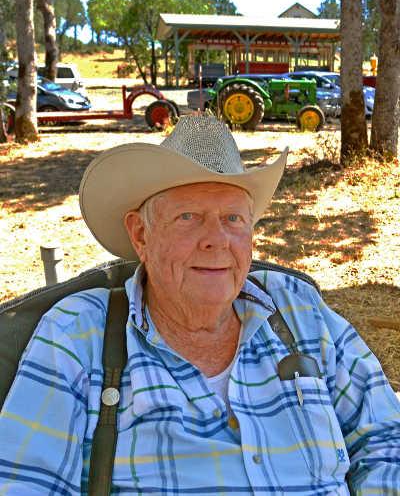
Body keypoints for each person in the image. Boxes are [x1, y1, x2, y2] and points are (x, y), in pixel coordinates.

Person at [0, 115, 399, 495]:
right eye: (188, 217)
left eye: (233, 219)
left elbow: (386, 439)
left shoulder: (299, 312)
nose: (216, 240)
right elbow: (23, 482)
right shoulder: (78, 332)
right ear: (141, 235)